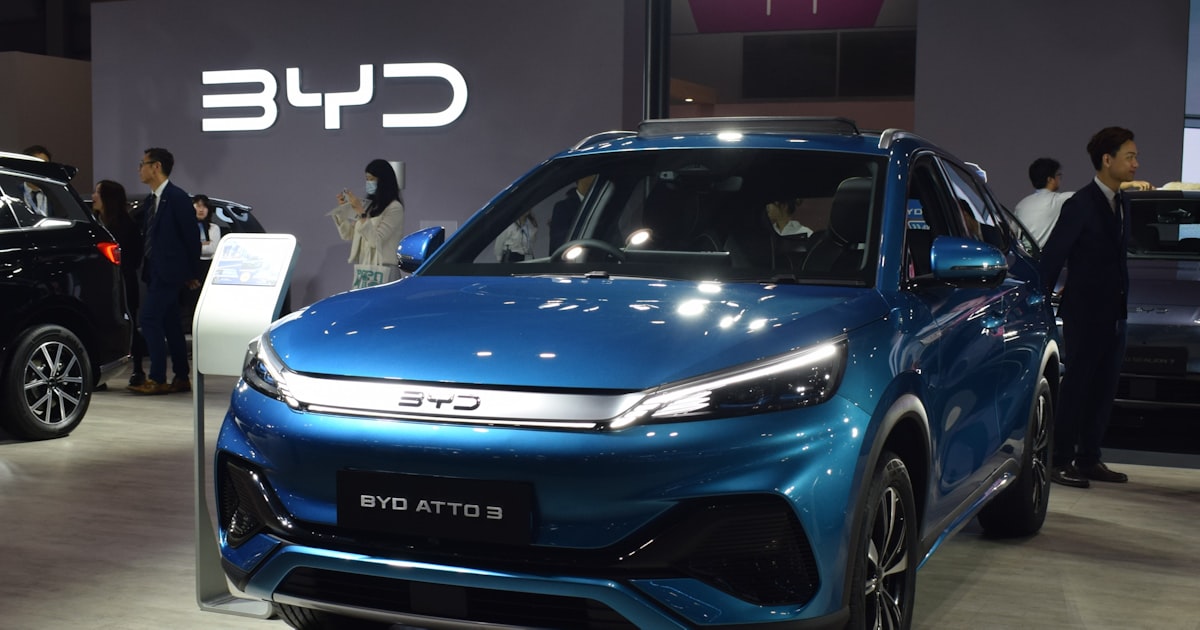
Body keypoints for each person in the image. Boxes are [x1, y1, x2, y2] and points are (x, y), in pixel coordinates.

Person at [1039, 127, 1138, 487]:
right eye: (1129, 156)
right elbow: (1053, 258)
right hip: (1084, 313)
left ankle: (1089, 458)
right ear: (1107, 160)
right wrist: (1040, 305)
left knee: (1104, 389)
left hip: (1114, 313)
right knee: (1077, 387)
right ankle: (1059, 460)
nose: (1135, 164)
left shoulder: (1122, 203)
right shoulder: (1080, 204)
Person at [127, 148, 201, 395]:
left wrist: (192, 272)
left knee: (149, 320)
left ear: (156, 166)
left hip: (171, 272)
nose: (139, 169)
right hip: (154, 271)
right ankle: (181, 377)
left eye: (142, 164)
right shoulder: (151, 200)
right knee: (170, 324)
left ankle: (157, 377)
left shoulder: (177, 197)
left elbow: (190, 237)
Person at [93, 179, 148, 387]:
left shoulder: (126, 226)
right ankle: (101, 375)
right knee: (100, 328)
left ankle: (138, 369)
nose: (94, 196)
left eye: (98, 192)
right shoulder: (95, 224)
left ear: (108, 198)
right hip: (100, 285)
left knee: (128, 325)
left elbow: (134, 258)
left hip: (123, 284)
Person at [330, 159, 405, 289]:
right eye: (367, 179)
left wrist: (361, 211)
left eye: (372, 179)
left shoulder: (394, 208)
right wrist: (343, 211)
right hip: (365, 269)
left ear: (383, 181)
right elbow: (348, 235)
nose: (369, 183)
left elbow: (376, 241)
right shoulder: (370, 207)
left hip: (384, 269)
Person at [180, 194, 223, 333]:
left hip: (208, 268)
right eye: (198, 205)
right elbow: (185, 249)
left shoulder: (214, 228)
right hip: (190, 267)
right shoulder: (186, 227)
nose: (201, 209)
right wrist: (202, 244)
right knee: (189, 302)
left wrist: (196, 246)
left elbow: (212, 249)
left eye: (204, 206)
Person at [1013, 158, 1072, 248]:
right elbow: (1085, 195)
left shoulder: (1021, 205)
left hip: (1025, 254)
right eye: (1058, 175)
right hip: (1046, 254)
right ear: (1050, 179)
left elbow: (1013, 232)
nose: (1060, 179)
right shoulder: (1058, 200)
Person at [548, 175, 596, 253]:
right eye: (592, 174)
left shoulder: (603, 202)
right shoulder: (563, 208)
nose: (595, 177)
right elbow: (558, 245)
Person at [22, 145, 52, 217]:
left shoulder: (57, 198)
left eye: (45, 166)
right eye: (37, 165)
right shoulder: (11, 193)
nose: (41, 170)